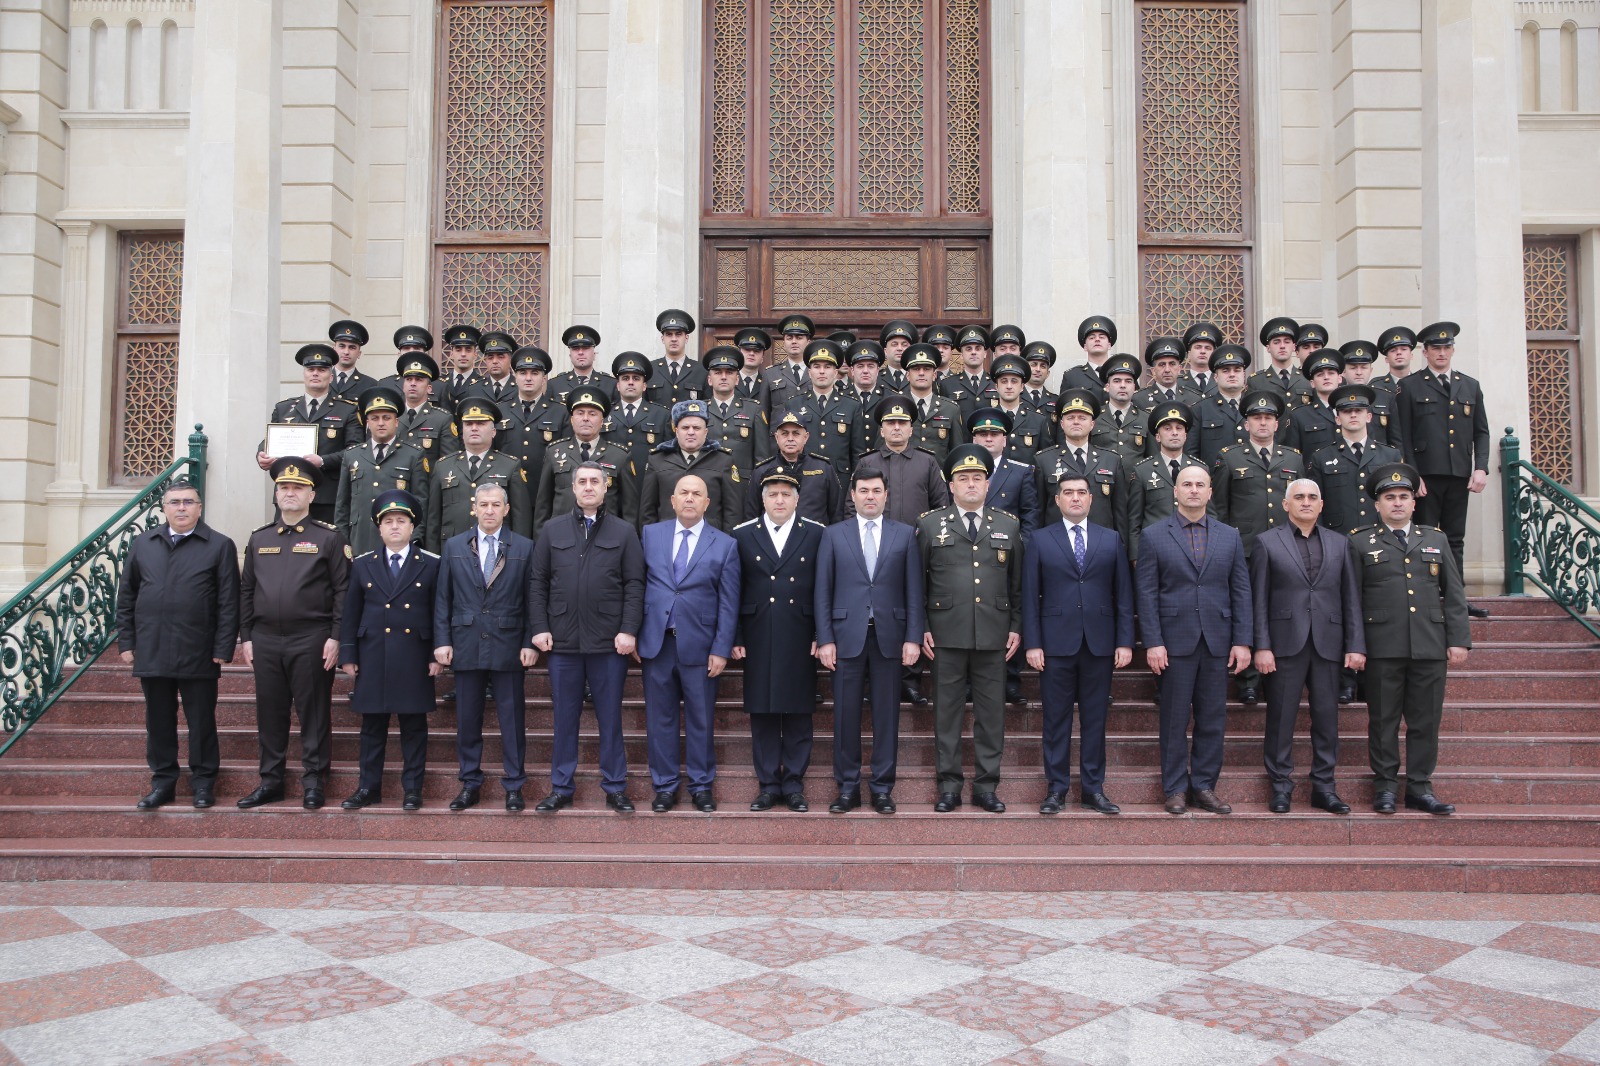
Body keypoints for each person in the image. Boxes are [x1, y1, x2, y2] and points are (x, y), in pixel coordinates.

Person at [1351, 463, 1471, 815]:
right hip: (1382, 645)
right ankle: (1385, 786)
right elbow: (1352, 599)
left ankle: (1420, 786)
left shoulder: (1435, 538)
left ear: (1414, 503)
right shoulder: (1359, 541)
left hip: (1430, 645)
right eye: (1390, 498)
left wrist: (1458, 639)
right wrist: (1355, 645)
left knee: (1425, 721)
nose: (1398, 503)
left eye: (1404, 497)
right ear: (1377, 504)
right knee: (1384, 720)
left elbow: (1454, 592)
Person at [528, 462, 645, 813]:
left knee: (610, 718)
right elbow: (537, 583)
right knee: (565, 719)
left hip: (609, 643)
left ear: (606, 487)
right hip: (562, 641)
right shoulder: (551, 530)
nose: (589, 487)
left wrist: (629, 630)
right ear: (573, 488)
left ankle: (615, 786)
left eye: (596, 481)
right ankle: (561, 787)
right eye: (582, 481)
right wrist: (539, 627)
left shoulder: (624, 532)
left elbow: (635, 584)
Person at [116, 479, 239, 810]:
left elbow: (229, 602)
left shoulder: (219, 545)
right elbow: (127, 596)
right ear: (164, 508)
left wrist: (222, 648)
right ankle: (163, 782)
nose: (181, 507)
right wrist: (126, 641)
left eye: (188, 502)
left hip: (198, 650)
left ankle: (203, 783)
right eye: (175, 502)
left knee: (201, 722)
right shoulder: (143, 544)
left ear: (200, 507)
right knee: (158, 721)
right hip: (152, 647)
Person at [1136, 465, 1252, 816]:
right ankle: (1174, 788)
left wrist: (1243, 640)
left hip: (1217, 641)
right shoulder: (1154, 535)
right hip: (1173, 642)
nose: (1193, 490)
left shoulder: (1229, 535)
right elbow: (1147, 592)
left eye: (1200, 485)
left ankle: (1204, 785)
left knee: (1212, 718)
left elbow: (1241, 590)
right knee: (1173, 718)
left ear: (1210, 492)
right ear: (1175, 491)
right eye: (1186, 484)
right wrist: (1153, 641)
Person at [237, 459, 351, 810]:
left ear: (311, 494)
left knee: (314, 713)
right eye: (284, 487)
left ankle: (315, 782)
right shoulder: (260, 538)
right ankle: (270, 781)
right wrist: (247, 637)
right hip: (266, 639)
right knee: (269, 714)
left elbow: (343, 591)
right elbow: (246, 590)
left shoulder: (329, 538)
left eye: (298, 488)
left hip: (312, 638)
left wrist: (336, 637)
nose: (290, 493)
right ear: (275, 494)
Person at [1250, 479, 1364, 815]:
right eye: (1298, 497)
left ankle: (1324, 787)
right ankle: (1281, 786)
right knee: (1281, 717)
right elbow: (1258, 600)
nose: (1305, 502)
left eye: (1312, 497)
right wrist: (1261, 646)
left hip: (1328, 643)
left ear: (1321, 504)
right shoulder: (1266, 542)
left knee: (1327, 719)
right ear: (1285, 504)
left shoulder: (1340, 544)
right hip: (1284, 644)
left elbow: (1351, 598)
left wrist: (1355, 644)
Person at [919, 445, 1023, 813]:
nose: (970, 484)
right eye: (963, 479)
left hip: (994, 635)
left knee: (991, 714)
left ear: (988, 482)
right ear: (951, 485)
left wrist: (1015, 626)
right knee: (946, 713)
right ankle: (948, 785)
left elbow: (1017, 583)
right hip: (945, 634)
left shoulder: (1008, 524)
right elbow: (918, 581)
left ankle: (986, 786)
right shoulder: (930, 524)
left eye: (977, 478)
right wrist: (922, 627)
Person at [1022, 472, 1134, 816]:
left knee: (1095, 720)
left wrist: (1125, 641)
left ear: (1090, 499)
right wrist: (1033, 643)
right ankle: (1056, 789)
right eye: (1067, 492)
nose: (1074, 498)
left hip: (1099, 644)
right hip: (1054, 645)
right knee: (1055, 721)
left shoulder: (1111, 538)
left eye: (1081, 493)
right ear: (1056, 500)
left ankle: (1092, 789)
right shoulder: (1040, 540)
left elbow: (1123, 595)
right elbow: (1029, 595)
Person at [816, 464, 924, 814]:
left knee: (886, 716)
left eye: (876, 490)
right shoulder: (833, 534)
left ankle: (882, 788)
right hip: (846, 636)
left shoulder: (905, 534)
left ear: (886, 495)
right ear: (853, 495)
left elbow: (913, 590)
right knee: (846, 715)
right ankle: (847, 788)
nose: (870, 496)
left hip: (890, 637)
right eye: (863, 491)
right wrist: (825, 637)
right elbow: (823, 590)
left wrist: (913, 637)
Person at [637, 475, 741, 813]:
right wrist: (634, 632)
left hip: (701, 648)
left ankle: (701, 786)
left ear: (707, 503)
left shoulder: (724, 544)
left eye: (697, 494)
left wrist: (722, 648)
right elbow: (637, 589)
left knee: (700, 719)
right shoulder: (651, 535)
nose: (690, 499)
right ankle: (665, 786)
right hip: (658, 643)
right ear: (672, 499)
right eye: (684, 493)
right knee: (660, 720)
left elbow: (729, 602)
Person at [433, 482, 536, 811]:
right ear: (473, 508)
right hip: (465, 643)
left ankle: (515, 785)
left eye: (496, 505)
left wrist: (529, 642)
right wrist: (442, 640)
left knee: (512, 720)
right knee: (467, 719)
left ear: (506, 509)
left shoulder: (524, 546)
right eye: (483, 504)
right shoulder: (453, 546)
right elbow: (442, 599)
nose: (489, 510)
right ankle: (469, 783)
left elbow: (533, 600)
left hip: (509, 644)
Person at [337, 490, 440, 812]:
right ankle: (368, 787)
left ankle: (412, 789)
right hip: (373, 654)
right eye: (389, 522)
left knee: (413, 727)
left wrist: (436, 654)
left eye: (402, 521)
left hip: (414, 655)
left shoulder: (432, 564)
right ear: (378, 528)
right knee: (372, 727)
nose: (395, 527)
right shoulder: (363, 564)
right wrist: (348, 654)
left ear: (413, 527)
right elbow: (350, 612)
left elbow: (440, 612)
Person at [731, 466, 825, 812]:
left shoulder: (816, 534)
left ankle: (795, 784)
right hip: (758, 632)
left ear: (797, 499)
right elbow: (733, 589)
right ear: (763, 498)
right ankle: (769, 784)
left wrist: (821, 633)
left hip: (800, 632)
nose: (780, 499)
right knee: (764, 712)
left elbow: (822, 589)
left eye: (786, 494)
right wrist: (735, 635)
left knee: (799, 710)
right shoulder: (742, 535)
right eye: (773, 494)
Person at [1211, 390, 1305, 705]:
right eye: (1256, 418)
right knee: (1247, 610)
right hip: (1246, 548)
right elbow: (1220, 508)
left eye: (1268, 418)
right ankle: (1248, 678)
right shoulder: (1230, 456)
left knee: (1282, 609)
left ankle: (1277, 673)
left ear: (1277, 424)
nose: (1262, 423)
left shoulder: (1293, 458)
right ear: (1247, 424)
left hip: (1286, 547)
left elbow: (1301, 505)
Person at [1395, 321, 1491, 615]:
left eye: (1446, 347)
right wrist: (1412, 475)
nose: (1441, 352)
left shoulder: (1469, 385)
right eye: (1435, 348)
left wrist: (1481, 468)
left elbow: (1481, 432)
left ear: (1452, 350)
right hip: (1426, 476)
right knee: (1423, 536)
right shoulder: (1409, 386)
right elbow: (1403, 435)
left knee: (1454, 539)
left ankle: (1455, 598)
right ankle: (1426, 597)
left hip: (1459, 474)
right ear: (1425, 352)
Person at [258, 343, 364, 524]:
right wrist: (261, 454)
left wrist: (323, 461)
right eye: (311, 369)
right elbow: (269, 441)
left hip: (326, 496)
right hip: (288, 493)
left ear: (331, 377)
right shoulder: (283, 408)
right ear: (304, 375)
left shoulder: (347, 410)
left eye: (321, 370)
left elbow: (355, 451)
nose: (315, 373)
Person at [334, 385, 431, 558]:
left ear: (396, 422)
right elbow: (343, 504)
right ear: (367, 422)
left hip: (399, 543)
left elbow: (420, 501)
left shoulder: (413, 455)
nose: (380, 423)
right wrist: (342, 540)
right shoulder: (351, 455)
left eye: (386, 418)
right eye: (374, 418)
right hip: (359, 540)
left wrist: (415, 539)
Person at [425, 397, 532, 550]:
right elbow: (433, 520)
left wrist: (519, 555)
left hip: (497, 551)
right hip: (454, 550)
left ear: (494, 431)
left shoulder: (510, 466)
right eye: (468, 424)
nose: (474, 428)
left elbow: (521, 519)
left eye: (481, 423)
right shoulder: (442, 466)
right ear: (462, 431)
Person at [534, 386, 637, 537]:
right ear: (571, 419)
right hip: (562, 535)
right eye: (580, 413)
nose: (586, 418)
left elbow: (630, 509)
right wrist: (540, 542)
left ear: (602, 421)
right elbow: (543, 504)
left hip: (606, 536)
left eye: (592, 414)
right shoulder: (554, 452)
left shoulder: (619, 455)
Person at [1031, 388, 1129, 536]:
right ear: (1062, 424)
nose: (1076, 422)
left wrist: (1121, 550)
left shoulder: (1111, 460)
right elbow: (1038, 511)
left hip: (1101, 544)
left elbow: (1120, 512)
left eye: (1082, 418)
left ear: (1092, 424)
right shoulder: (1044, 460)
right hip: (1057, 543)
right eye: (1070, 418)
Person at [639, 399, 744, 530]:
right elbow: (647, 510)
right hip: (666, 538)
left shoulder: (723, 460)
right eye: (685, 428)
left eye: (696, 428)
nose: (691, 432)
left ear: (705, 432)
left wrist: (725, 544)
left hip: (710, 540)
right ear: (676, 431)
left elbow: (732, 511)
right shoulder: (657, 459)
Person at [1127, 402, 1211, 562]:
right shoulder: (1142, 470)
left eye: (1179, 428)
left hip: (1194, 545)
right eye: (1167, 428)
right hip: (1155, 549)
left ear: (1186, 435)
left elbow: (1210, 512)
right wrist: (1136, 556)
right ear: (1157, 436)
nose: (1174, 433)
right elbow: (1134, 519)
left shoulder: (1200, 468)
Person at [746, 409, 847, 524]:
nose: (790, 439)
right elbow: (752, 517)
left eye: (796, 433)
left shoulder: (824, 469)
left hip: (815, 540)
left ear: (806, 437)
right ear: (776, 437)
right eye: (784, 433)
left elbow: (837, 514)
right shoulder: (762, 471)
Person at [786, 339, 866, 479]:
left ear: (835, 372)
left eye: (827, 367)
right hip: (803, 477)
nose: (822, 372)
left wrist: (856, 481)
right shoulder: (794, 404)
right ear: (809, 372)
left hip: (840, 478)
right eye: (817, 367)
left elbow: (857, 452)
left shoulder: (852, 405)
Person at [498, 346, 570, 487]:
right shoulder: (500, 411)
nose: (528, 378)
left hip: (544, 489)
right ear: (515, 377)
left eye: (535, 373)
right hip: (506, 489)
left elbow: (566, 456)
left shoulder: (561, 412)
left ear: (544, 379)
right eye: (523, 373)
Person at [700, 345, 771, 476]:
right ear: (709, 380)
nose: (723, 377)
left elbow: (762, 457)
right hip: (706, 483)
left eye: (729, 372)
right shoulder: (699, 411)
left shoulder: (753, 410)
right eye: (717, 372)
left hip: (742, 486)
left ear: (737, 379)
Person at [604, 351, 674, 474]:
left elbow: (669, 455)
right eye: (625, 378)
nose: (631, 382)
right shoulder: (604, 413)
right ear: (618, 385)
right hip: (613, 482)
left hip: (648, 481)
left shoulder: (662, 415)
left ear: (644, 386)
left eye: (636, 378)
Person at [901, 343, 964, 466]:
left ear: (934, 375)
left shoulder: (950, 409)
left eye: (927, 369)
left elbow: (956, 453)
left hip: (938, 480)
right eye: (916, 369)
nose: (921, 373)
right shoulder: (896, 406)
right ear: (908, 375)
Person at [1190, 344, 1254, 465]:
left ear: (1244, 375)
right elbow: (1192, 454)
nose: (1232, 374)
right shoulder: (1200, 410)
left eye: (1237, 370)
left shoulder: (1256, 407)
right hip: (1215, 479)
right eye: (1225, 370)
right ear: (1215, 377)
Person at [1281, 349, 1344, 458]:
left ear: (1340, 378)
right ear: (1312, 383)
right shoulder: (1299, 416)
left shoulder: (1353, 411)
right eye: (1320, 374)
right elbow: (1293, 458)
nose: (1326, 377)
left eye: (1331, 373)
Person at [1089, 354, 1148, 463]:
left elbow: (1151, 459)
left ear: (1134, 388)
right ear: (1107, 387)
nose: (1123, 385)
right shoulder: (1094, 417)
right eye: (1117, 381)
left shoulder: (1145, 419)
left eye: (1128, 381)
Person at [648, 308, 707, 406]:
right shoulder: (650, 369)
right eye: (669, 334)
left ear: (686, 338)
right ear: (663, 339)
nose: (674, 339)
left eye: (678, 334)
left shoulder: (701, 371)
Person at [1249, 317, 1313, 405]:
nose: (1282, 346)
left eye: (1287, 342)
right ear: (1268, 348)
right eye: (1276, 342)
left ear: (1294, 347)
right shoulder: (1256, 381)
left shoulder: (1308, 379)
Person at [760, 313, 814, 416]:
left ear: (808, 342)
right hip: (779, 431)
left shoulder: (817, 371)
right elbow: (763, 413)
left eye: (799, 338)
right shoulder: (770, 373)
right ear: (783, 343)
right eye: (789, 338)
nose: (794, 341)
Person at [939, 325, 999, 416]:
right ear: (961, 355)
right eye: (968, 349)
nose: (973, 352)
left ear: (985, 354)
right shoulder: (947, 384)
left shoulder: (996, 382)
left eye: (978, 348)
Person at [549, 325, 616, 404]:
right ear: (570, 355)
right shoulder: (554, 384)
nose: (580, 352)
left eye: (585, 348)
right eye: (575, 348)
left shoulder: (611, 384)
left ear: (594, 354)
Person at [1134, 337, 1203, 410]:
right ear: (1153, 371)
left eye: (1172, 364)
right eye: (1162, 364)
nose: (1167, 370)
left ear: (1179, 369)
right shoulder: (1139, 399)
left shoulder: (1194, 398)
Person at [1059, 315, 1117, 399]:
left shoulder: (1122, 373)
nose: (1097, 339)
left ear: (1109, 345)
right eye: (1092, 337)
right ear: (1085, 346)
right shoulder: (1072, 376)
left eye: (1102, 337)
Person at [436, 324, 485, 408]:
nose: (463, 354)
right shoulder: (439, 383)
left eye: (468, 350)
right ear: (451, 354)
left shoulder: (483, 384)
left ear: (475, 354)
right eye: (458, 350)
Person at [327, 319, 373, 400]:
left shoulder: (370, 385)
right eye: (342, 346)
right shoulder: (322, 379)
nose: (346, 352)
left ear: (359, 353)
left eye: (352, 347)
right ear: (334, 350)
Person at [1182, 322, 1222, 395]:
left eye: (1208, 348)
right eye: (1198, 347)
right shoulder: (1177, 384)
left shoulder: (1222, 382)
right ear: (1189, 354)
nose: (1203, 351)